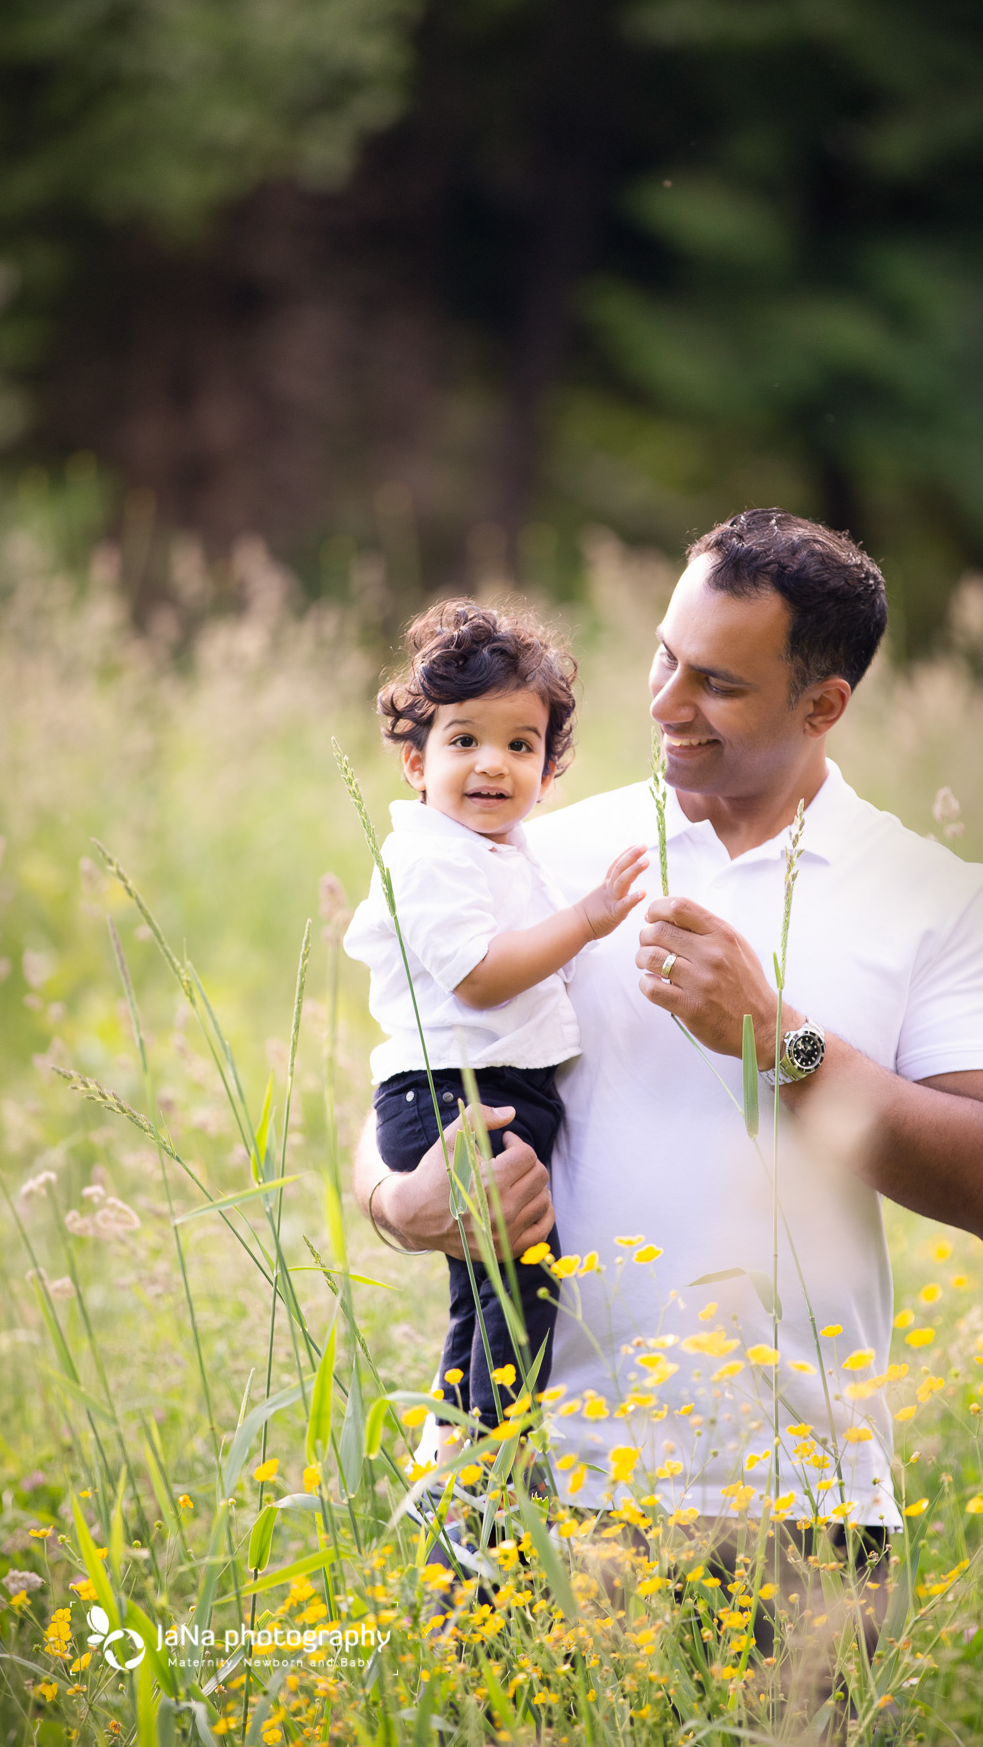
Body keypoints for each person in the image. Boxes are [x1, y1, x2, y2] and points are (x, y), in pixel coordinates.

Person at [351, 510, 983, 1706]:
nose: (666, 703)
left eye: (717, 682)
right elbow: (412, 1066)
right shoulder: (543, 851)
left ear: (823, 705)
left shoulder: (927, 896)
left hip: (795, 1509)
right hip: (529, 1483)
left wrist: (775, 1043)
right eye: (665, 658)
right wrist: (400, 1200)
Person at [343, 600, 647, 1430]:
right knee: (521, 1284)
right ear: (416, 764)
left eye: (521, 745)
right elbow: (478, 977)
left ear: (548, 773)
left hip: (494, 1087)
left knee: (489, 1290)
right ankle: (493, 1449)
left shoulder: (508, 853)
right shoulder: (427, 853)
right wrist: (585, 922)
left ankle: (459, 1446)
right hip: (456, 1095)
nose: (493, 764)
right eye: (464, 740)